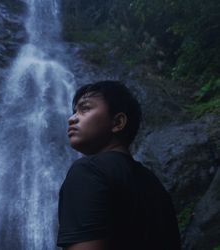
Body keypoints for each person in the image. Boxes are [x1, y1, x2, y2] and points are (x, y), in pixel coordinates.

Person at [57, 80, 181, 250]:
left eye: (85, 109)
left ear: (118, 123)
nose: (72, 119)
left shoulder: (89, 171)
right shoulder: (155, 184)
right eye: (74, 112)